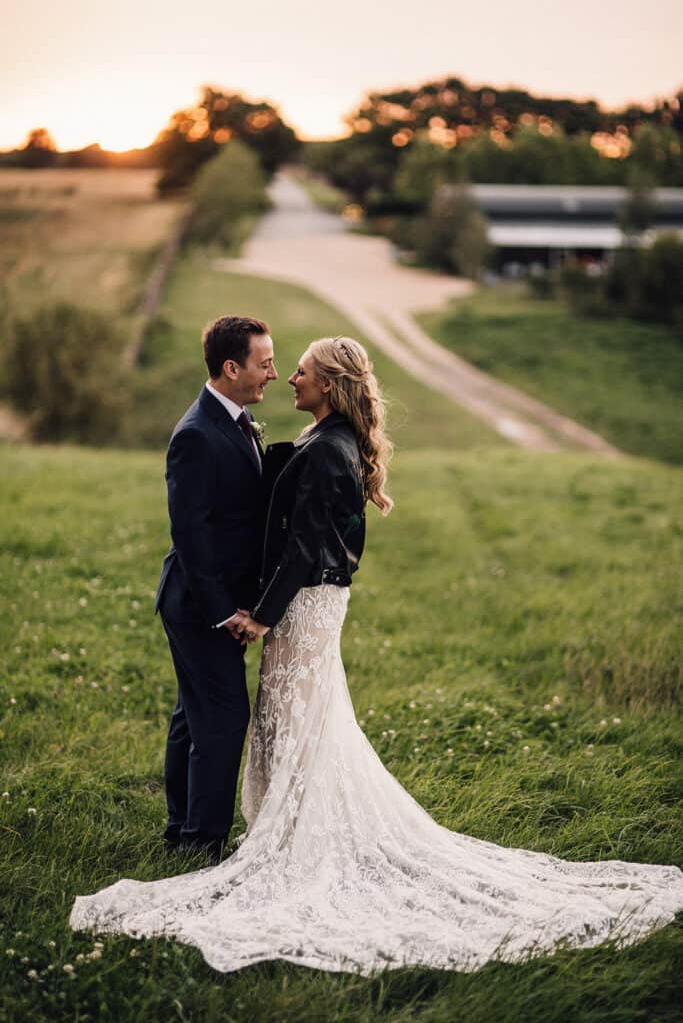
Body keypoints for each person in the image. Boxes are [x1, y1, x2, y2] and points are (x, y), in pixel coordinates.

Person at [71, 337, 683, 975]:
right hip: (287, 605)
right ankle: (240, 832)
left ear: (329, 386)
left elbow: (308, 545)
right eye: (279, 365)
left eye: (300, 370)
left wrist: (262, 614)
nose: (289, 378)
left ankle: (263, 840)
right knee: (274, 722)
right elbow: (267, 496)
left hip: (303, 607)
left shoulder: (332, 449)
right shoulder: (318, 439)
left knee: (295, 723)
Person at [153, 314, 277, 864]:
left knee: (193, 714)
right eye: (265, 362)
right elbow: (191, 534)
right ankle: (203, 843)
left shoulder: (236, 418)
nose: (273, 372)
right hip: (201, 604)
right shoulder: (197, 435)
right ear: (232, 368)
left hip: (210, 601)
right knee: (224, 718)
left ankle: (182, 828)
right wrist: (224, 610)